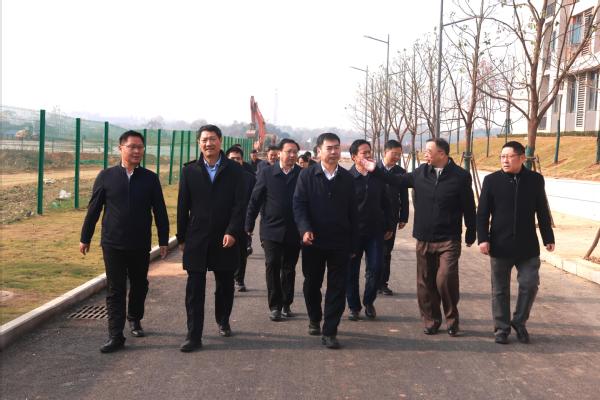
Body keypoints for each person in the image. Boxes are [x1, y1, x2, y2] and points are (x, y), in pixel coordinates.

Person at [365, 137, 476, 337]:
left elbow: (468, 205)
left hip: (449, 238)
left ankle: (452, 319)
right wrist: (375, 170)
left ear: (442, 153)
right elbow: (397, 180)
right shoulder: (420, 173)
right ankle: (431, 320)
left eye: (429, 151)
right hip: (424, 237)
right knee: (425, 283)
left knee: (445, 279)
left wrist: (471, 230)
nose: (425, 154)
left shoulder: (460, 176)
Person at [80, 130, 169, 353]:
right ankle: (115, 335)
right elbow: (94, 209)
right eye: (132, 147)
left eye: (140, 147)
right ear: (121, 148)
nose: (137, 151)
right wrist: (85, 237)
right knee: (115, 289)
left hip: (140, 243)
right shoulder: (106, 176)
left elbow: (160, 210)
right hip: (113, 243)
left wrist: (163, 240)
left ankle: (134, 318)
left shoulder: (150, 178)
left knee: (140, 284)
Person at [177, 124, 247, 352]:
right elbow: (183, 206)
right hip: (197, 238)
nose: (209, 143)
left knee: (225, 285)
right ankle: (193, 335)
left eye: (213, 139)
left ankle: (223, 319)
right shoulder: (189, 171)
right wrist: (181, 237)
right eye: (204, 140)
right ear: (199, 143)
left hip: (225, 238)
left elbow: (240, 206)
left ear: (220, 141)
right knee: (194, 290)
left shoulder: (235, 171)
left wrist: (233, 231)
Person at [477, 141, 555, 345]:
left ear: (522, 158)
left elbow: (542, 209)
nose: (505, 160)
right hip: (500, 244)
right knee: (499, 290)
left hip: (527, 246)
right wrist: (483, 239)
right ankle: (501, 329)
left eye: (509, 156)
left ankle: (519, 322)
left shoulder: (535, 180)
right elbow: (483, 213)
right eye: (502, 156)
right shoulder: (491, 181)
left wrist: (548, 237)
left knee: (530, 284)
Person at [293, 132, 358, 349]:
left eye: (336, 147)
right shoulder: (307, 176)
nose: (333, 152)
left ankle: (330, 330)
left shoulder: (348, 179)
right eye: (329, 148)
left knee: (337, 287)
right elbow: (299, 205)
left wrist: (353, 243)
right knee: (312, 284)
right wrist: (305, 229)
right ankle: (314, 317)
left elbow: (353, 213)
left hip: (340, 242)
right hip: (313, 242)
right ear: (319, 151)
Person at [246, 139, 302, 321]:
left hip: (294, 230)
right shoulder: (267, 173)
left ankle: (286, 303)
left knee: (289, 268)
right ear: (279, 153)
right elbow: (255, 200)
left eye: (295, 152)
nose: (292, 155)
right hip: (271, 229)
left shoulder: (302, 175)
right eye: (289, 151)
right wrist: (249, 224)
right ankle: (275, 306)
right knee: (272, 264)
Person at [346, 139, 393, 321]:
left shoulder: (377, 177)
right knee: (351, 270)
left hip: (375, 232)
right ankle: (353, 306)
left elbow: (387, 203)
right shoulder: (347, 178)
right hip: (353, 233)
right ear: (354, 157)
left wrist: (389, 225)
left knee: (376, 267)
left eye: (369, 152)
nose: (368, 155)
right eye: (364, 153)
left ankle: (368, 301)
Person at [377, 140, 409, 296]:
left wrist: (404, 217)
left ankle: (383, 283)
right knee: (373, 251)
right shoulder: (374, 168)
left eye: (399, 154)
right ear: (385, 152)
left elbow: (404, 196)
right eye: (394, 153)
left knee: (386, 251)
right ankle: (372, 281)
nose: (397, 157)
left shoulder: (400, 171)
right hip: (373, 216)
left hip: (391, 217)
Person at [225, 146, 256, 293]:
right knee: (225, 251)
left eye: (238, 159)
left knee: (241, 252)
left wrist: (250, 222)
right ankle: (227, 280)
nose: (235, 161)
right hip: (224, 221)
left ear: (242, 160)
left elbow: (254, 201)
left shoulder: (249, 178)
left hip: (243, 221)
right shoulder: (220, 176)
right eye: (232, 158)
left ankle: (239, 279)